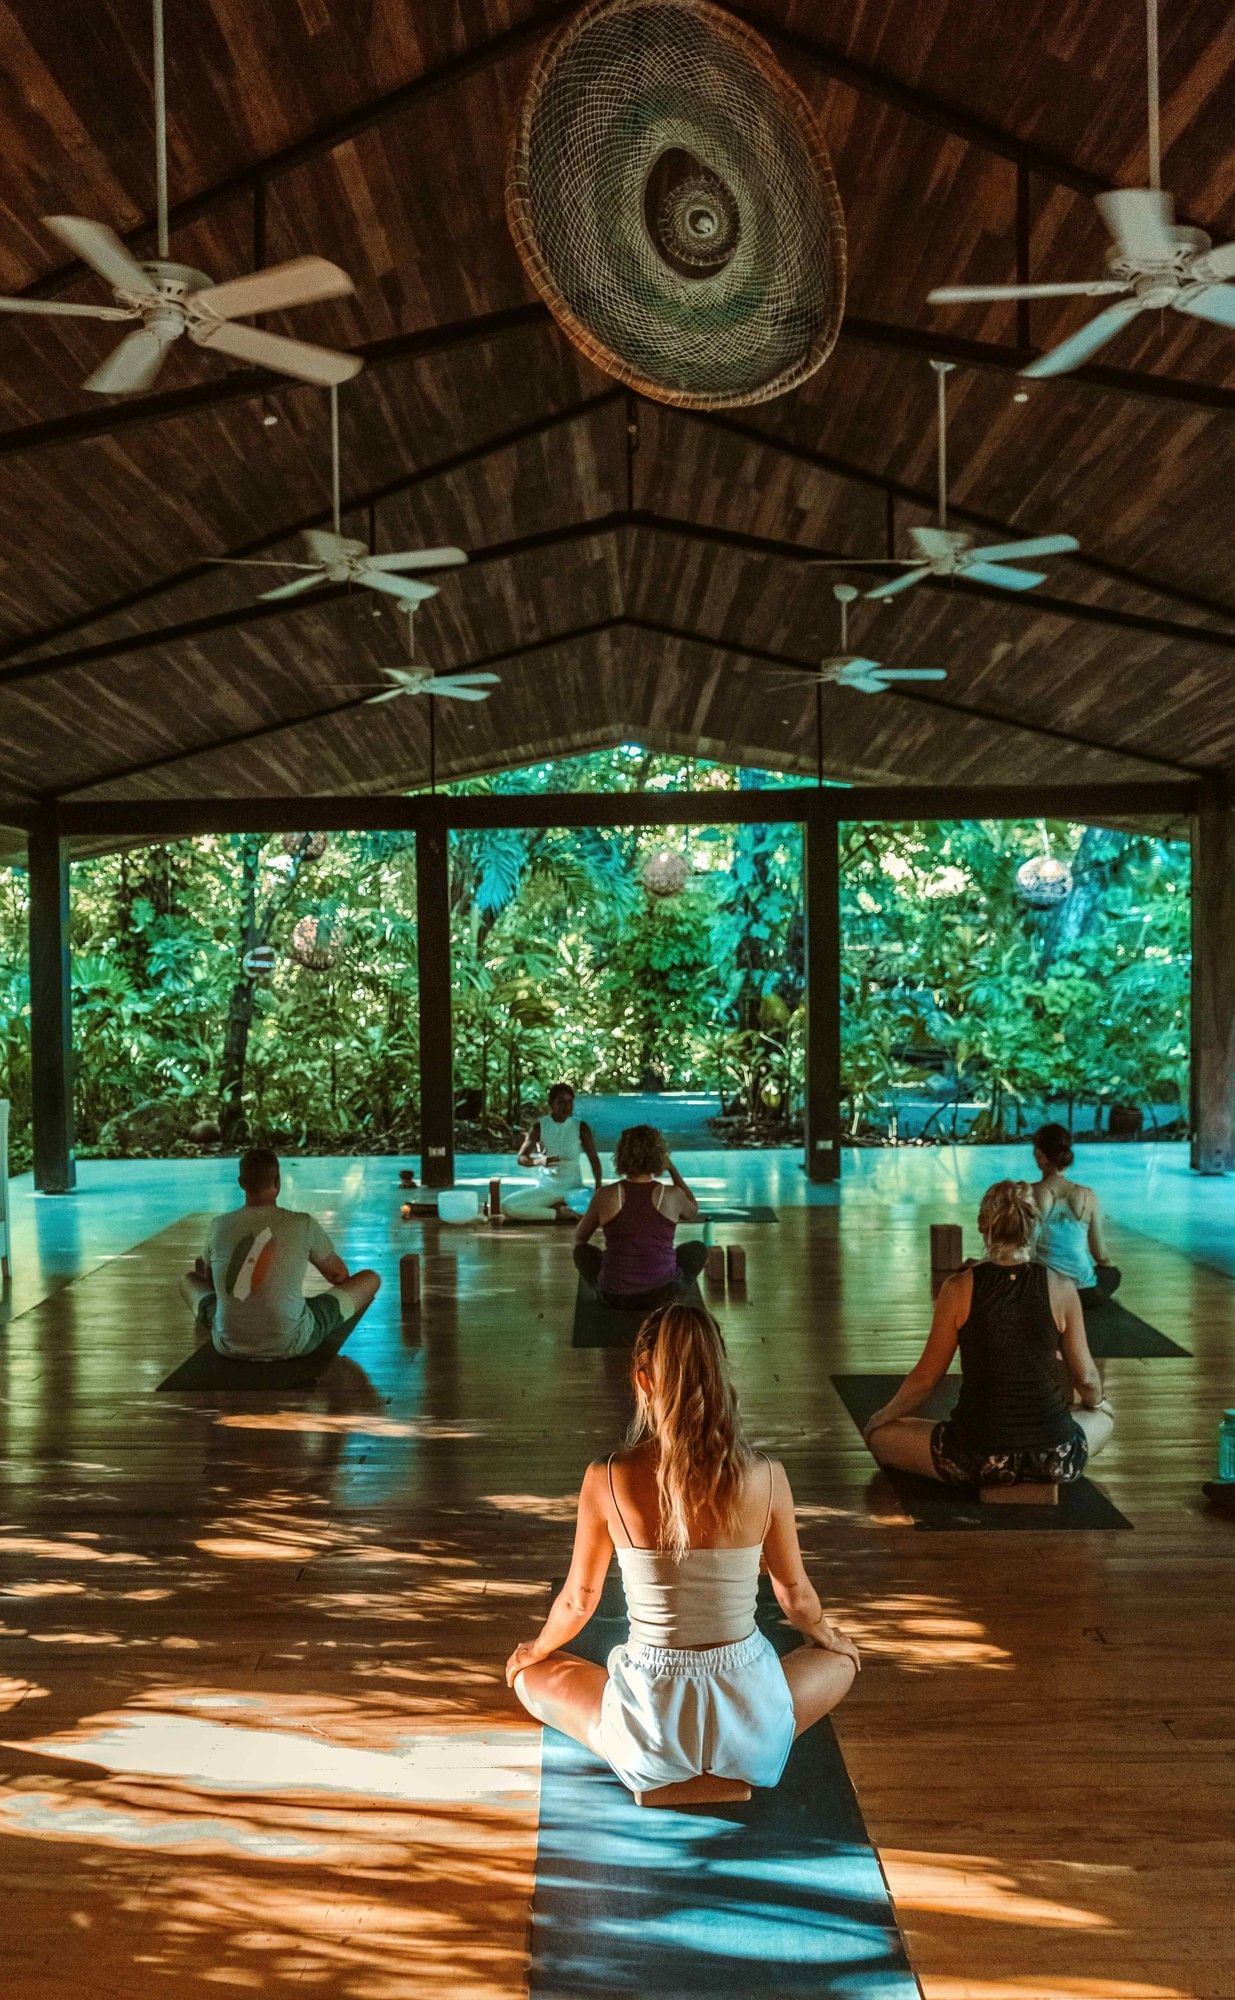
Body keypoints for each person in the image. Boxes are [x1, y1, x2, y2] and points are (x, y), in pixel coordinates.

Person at [506, 1303, 859, 1794]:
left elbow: (578, 1602)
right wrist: (829, 1636)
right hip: (750, 1730)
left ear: (643, 1380)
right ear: (719, 1373)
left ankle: (644, 1746)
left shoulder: (607, 1477)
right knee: (840, 1661)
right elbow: (796, 1597)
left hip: (649, 1732)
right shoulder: (767, 1478)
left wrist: (534, 1651)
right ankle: (739, 1741)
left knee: (532, 1678)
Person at [863, 1179, 1113, 1491]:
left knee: (881, 1437)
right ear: (1034, 1225)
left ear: (983, 1224)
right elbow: (1087, 1378)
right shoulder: (1061, 1287)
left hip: (974, 1458)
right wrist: (1099, 1404)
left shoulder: (957, 1288)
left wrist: (881, 1417)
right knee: (1103, 1418)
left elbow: (926, 1379)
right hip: (1054, 1458)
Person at [179, 1147, 380, 1361]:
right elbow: (338, 1275)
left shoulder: (218, 1226)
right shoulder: (301, 1223)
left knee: (187, 1280)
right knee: (370, 1279)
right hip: (293, 1341)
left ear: (241, 1183)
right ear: (278, 1182)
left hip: (228, 1343)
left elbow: (212, 1284)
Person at [573, 1124, 707, 1309]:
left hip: (614, 1296)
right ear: (659, 1156)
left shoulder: (605, 1195)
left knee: (582, 1252)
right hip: (663, 1294)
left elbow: (580, 1237)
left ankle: (602, 1289)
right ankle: (672, 1299)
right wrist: (672, 1169)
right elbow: (693, 1209)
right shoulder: (672, 1195)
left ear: (621, 1156)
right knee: (697, 1250)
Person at [1029, 1123, 1121, 1307]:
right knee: (1112, 1274)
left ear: (1040, 1155)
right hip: (1083, 1291)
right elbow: (1100, 1254)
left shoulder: (1029, 1194)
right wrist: (1106, 1268)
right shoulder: (1088, 1195)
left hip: (1044, 1291)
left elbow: (1023, 1248)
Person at [503, 1083, 602, 1223]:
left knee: (606, 1206)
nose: (566, 1106)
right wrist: (539, 1161)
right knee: (507, 1206)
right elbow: (521, 1158)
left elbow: (594, 1159)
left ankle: (560, 1210)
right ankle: (557, 1214)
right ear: (551, 1104)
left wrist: (598, 1187)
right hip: (548, 1189)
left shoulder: (581, 1127)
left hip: (574, 1190)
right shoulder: (539, 1126)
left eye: (570, 1102)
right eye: (561, 1102)